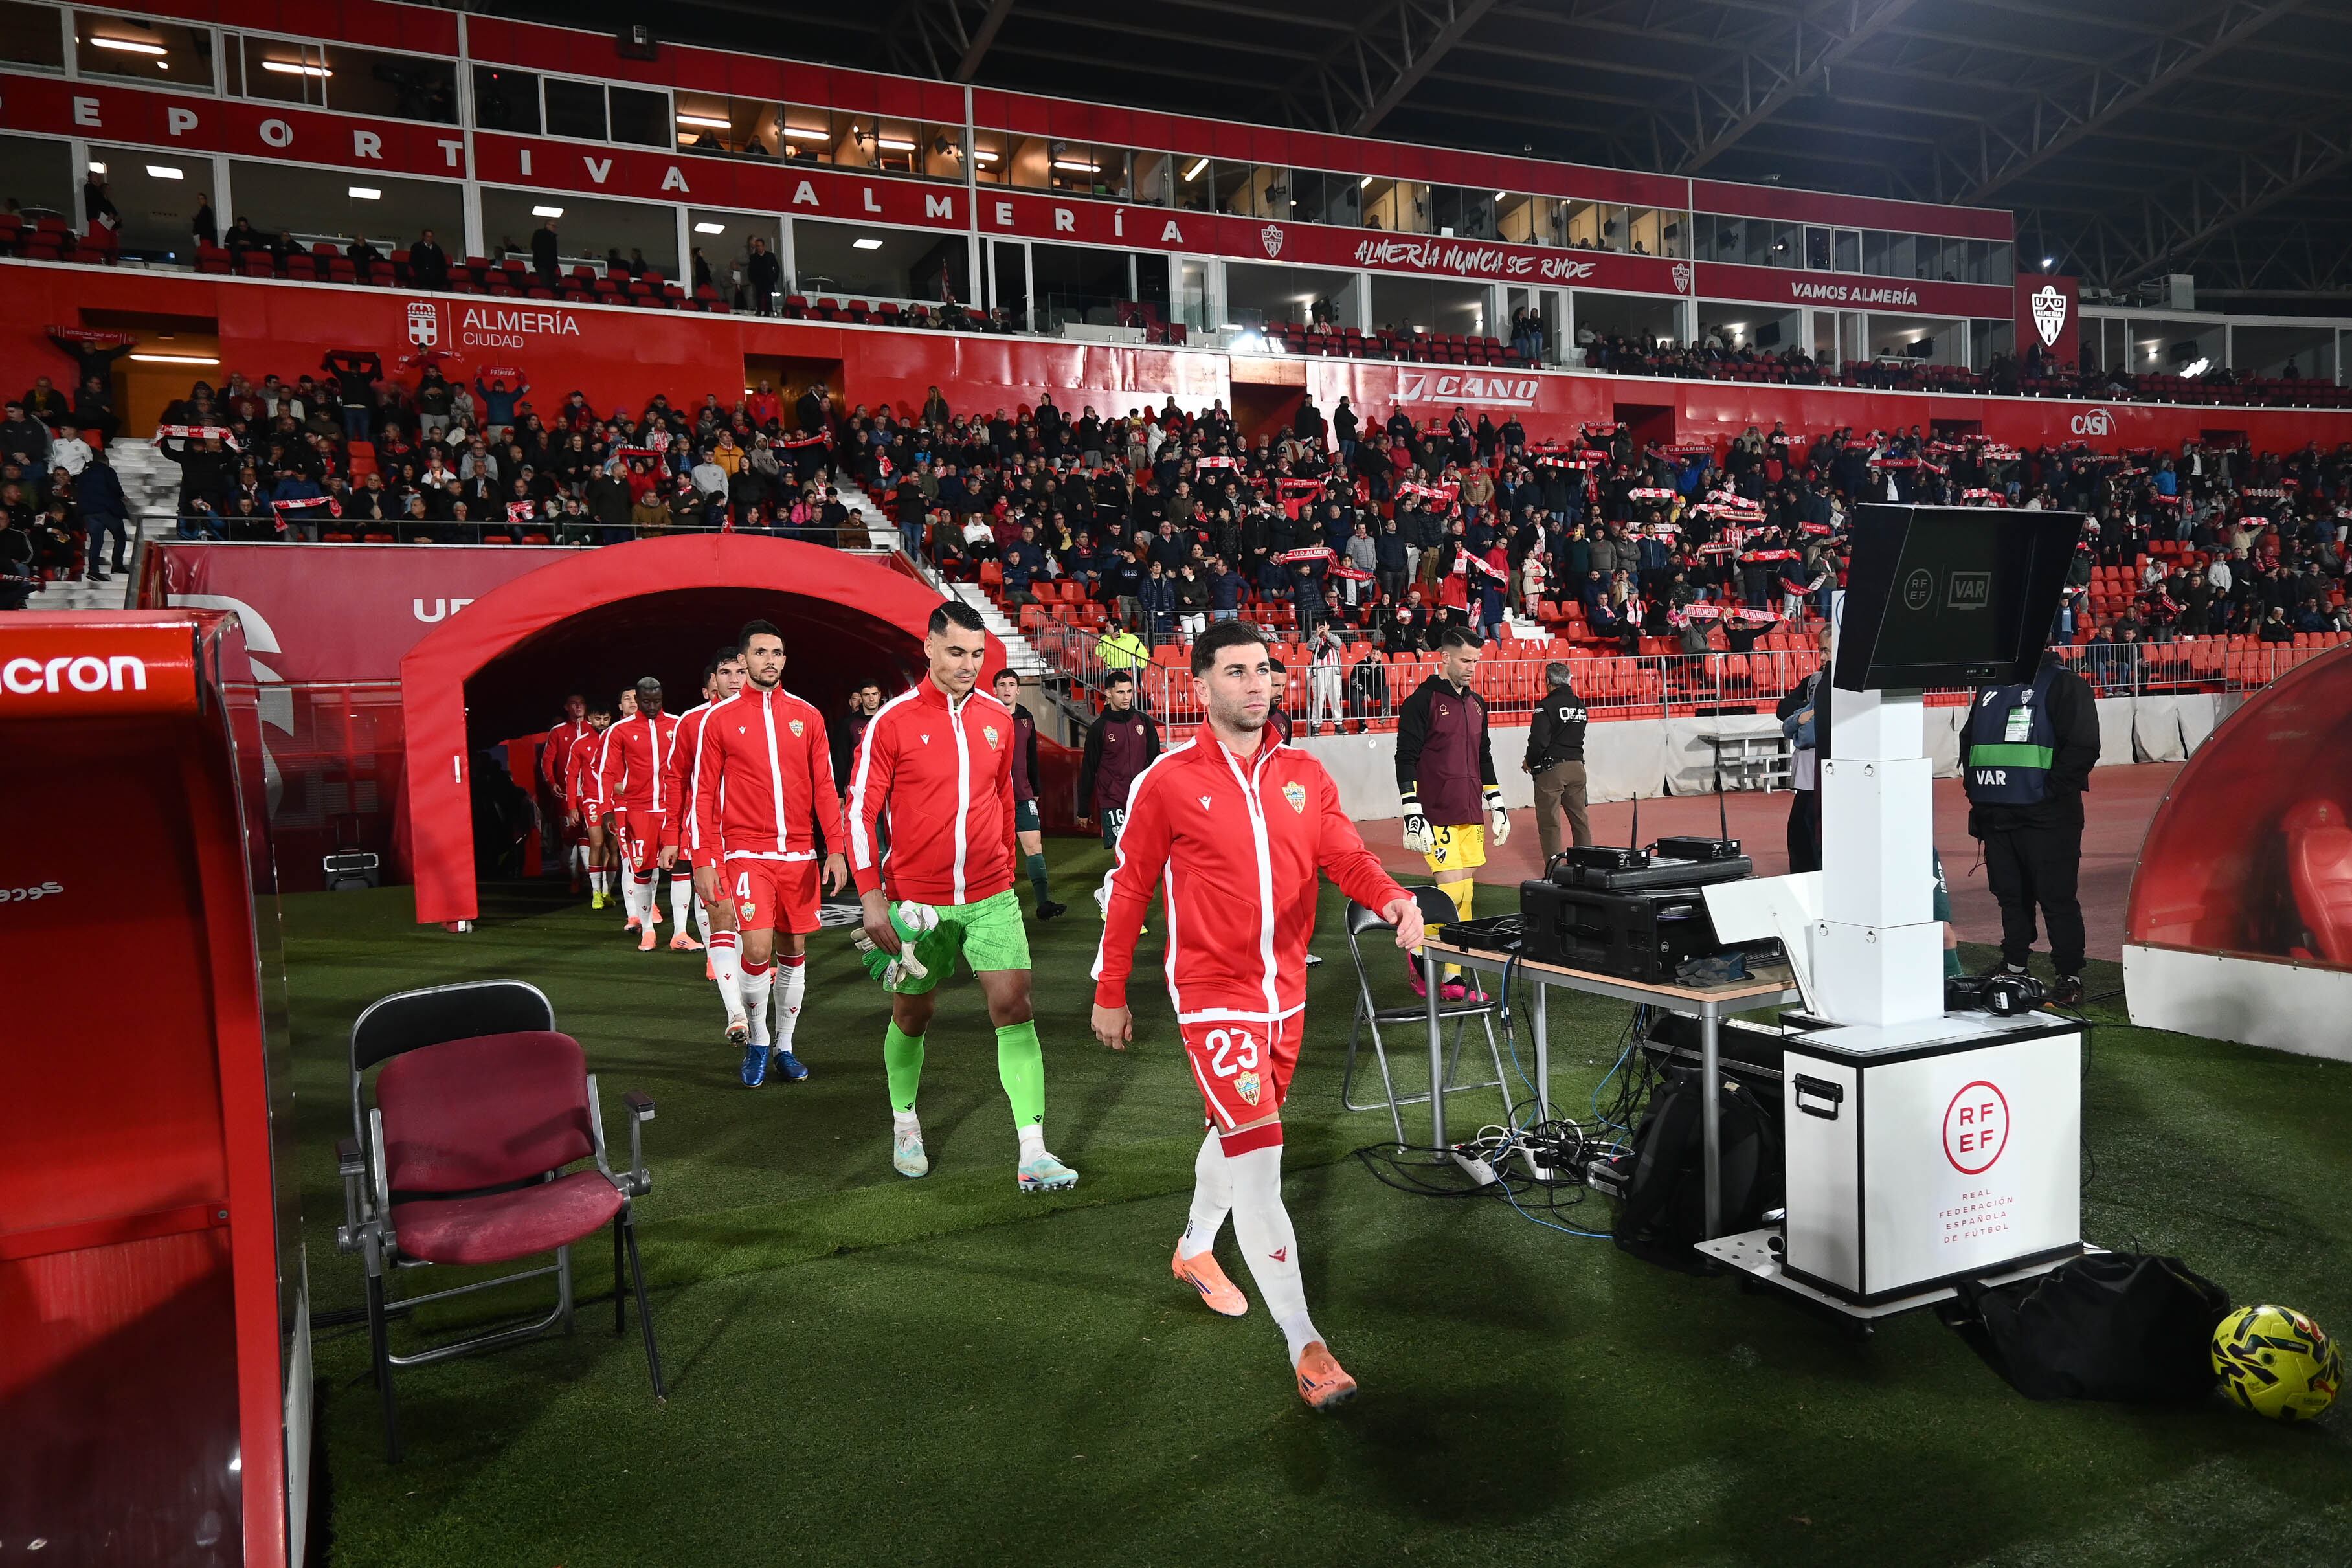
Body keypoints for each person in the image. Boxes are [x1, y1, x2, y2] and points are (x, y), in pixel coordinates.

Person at [1091, 619, 1424, 1411]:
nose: (1256, 683)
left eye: (1264, 669)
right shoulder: (1168, 780)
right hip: (1212, 997)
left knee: (1236, 1135)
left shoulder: (1304, 773)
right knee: (1262, 1153)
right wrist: (1110, 986)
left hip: (1287, 993)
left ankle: (1194, 1247)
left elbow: (1344, 855)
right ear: (1200, 685)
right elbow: (1131, 886)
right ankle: (1305, 1343)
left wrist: (1392, 898)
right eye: (1236, 671)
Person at [847, 601, 1077, 1192]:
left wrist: (1003, 863)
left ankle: (1033, 1151)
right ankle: (905, 1125)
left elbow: (1002, 797)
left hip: (990, 894)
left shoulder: (998, 720)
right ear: (928, 647)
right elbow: (859, 812)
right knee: (913, 1014)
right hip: (916, 901)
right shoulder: (891, 722)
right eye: (955, 652)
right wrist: (871, 897)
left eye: (977, 654)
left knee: (1014, 1004)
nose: (968, 665)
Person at [689, 624, 849, 1084]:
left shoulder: (807, 715)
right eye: (760, 653)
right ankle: (758, 1041)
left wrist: (835, 849)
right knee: (757, 947)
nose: (770, 660)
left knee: (794, 950)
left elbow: (825, 787)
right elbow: (703, 794)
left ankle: (785, 1046)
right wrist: (702, 859)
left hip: (799, 853)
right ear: (744, 661)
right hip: (745, 851)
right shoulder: (719, 719)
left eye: (777, 652)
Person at [1960, 646, 2101, 1008]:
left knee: (2056, 899)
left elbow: (2084, 747)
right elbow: (1969, 741)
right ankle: (2014, 966)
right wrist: (1978, 793)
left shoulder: (2065, 684)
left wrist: (2047, 793)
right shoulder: (1992, 686)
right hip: (1997, 815)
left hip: (2048, 818)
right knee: (2010, 896)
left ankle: (2069, 976)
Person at [1394, 626, 1505, 998]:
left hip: (1471, 811)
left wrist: (1496, 802)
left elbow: (1483, 755)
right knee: (1451, 893)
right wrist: (1412, 809)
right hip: (1437, 812)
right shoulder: (1421, 701)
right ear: (1444, 657)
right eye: (1465, 660)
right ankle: (1419, 955)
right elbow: (1405, 757)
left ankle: (1453, 978)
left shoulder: (1477, 704)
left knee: (1466, 895)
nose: (1472, 667)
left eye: (1476, 661)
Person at [657, 652, 744, 957]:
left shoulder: (765, 716)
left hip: (754, 830)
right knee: (712, 892)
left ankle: (750, 964)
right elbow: (676, 779)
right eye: (726, 672)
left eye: (740, 672)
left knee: (750, 903)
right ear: (713, 680)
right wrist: (671, 835)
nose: (735, 679)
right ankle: (713, 957)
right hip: (707, 827)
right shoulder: (692, 721)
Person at [590, 676, 684, 952]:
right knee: (640, 870)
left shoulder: (678, 725)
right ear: (637, 701)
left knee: (681, 869)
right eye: (646, 702)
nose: (652, 707)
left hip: (672, 809)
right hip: (638, 810)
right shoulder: (619, 731)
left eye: (657, 702)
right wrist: (606, 810)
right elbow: (606, 771)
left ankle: (680, 932)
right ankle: (647, 929)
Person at [1077, 667, 1161, 915]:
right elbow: (1088, 769)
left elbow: (1156, 764)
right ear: (1108, 694)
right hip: (1113, 800)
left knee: (1141, 858)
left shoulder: (1144, 723)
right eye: (1121, 692)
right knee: (1126, 855)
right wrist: (1083, 809)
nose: (1126, 697)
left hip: (1140, 801)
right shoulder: (1099, 729)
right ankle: (1122, 908)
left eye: (1129, 692)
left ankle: (1107, 893)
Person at [996, 667, 1066, 919]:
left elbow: (1032, 756)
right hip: (994, 799)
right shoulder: (987, 717)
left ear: (1018, 690)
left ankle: (1043, 903)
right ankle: (999, 906)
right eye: (1002, 685)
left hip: (1024, 796)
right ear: (995, 690)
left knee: (1034, 847)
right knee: (997, 853)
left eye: (1011, 685)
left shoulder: (1027, 718)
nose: (1007, 689)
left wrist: (1035, 789)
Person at [1776, 625, 1831, 873]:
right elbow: (1783, 711)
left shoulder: (1837, 687)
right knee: (1799, 840)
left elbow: (1808, 735)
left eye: (1827, 650)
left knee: (1813, 845)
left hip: (1820, 782)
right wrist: (1801, 716)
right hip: (1806, 783)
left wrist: (1800, 722)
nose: (1822, 657)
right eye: (1820, 650)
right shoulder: (1813, 681)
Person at [1524, 660, 1591, 861]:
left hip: (1552, 771)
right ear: (1569, 679)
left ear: (1548, 681)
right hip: (1577, 767)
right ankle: (1587, 865)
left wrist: (1529, 761)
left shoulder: (1545, 707)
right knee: (1580, 821)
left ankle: (1554, 870)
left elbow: (1538, 741)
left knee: (1550, 824)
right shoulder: (1580, 705)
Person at [562, 699, 616, 906]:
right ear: (589, 719)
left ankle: (607, 891)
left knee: (613, 846)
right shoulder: (580, 744)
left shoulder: (616, 738)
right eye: (598, 718)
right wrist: (572, 807)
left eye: (606, 719)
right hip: (592, 799)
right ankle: (595, 892)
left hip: (613, 799)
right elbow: (571, 776)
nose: (602, 723)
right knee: (597, 843)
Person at [541, 692, 592, 892]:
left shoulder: (595, 729)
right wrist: (552, 782)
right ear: (566, 707)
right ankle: (575, 878)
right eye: (573, 704)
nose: (578, 707)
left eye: (581, 703)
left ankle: (593, 877)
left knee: (593, 834)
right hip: (567, 794)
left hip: (592, 793)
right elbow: (547, 760)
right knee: (570, 837)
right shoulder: (557, 732)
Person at [1305, 622, 1345, 734]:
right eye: (1320, 626)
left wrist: (1327, 634)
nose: (1322, 628)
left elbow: (1339, 644)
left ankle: (1338, 724)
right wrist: (1316, 635)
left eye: (1324, 626)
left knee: (1335, 698)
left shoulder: (1333, 638)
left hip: (1334, 671)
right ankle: (1316, 725)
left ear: (1328, 627)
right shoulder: (1316, 639)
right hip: (1319, 671)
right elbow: (1309, 647)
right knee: (1318, 698)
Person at [409, 228, 450, 292]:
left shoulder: (437, 249)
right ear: (424, 237)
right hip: (421, 277)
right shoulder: (416, 247)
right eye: (428, 236)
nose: (429, 239)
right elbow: (413, 262)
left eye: (431, 237)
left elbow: (442, 264)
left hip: (436, 279)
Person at [531, 216, 561, 288]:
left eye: (555, 226)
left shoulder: (552, 237)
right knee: (545, 284)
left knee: (549, 284)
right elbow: (535, 247)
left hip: (549, 265)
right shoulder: (541, 234)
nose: (555, 228)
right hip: (543, 264)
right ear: (547, 225)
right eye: (553, 226)